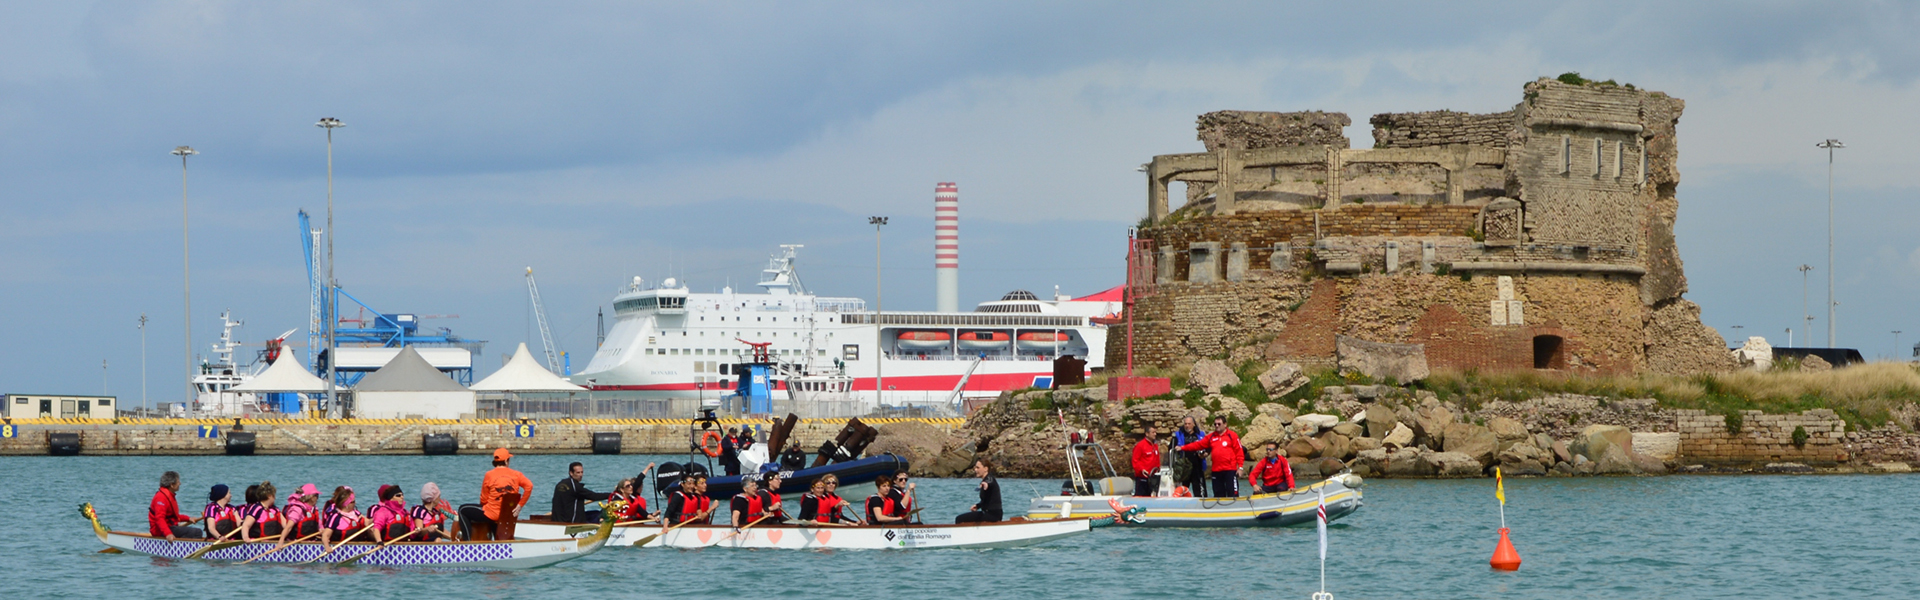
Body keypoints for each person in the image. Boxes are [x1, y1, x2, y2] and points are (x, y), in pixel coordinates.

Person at [1178, 416, 1247, 499]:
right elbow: (1197, 445)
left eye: (1219, 424)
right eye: (1215, 424)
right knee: (1218, 495)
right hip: (1216, 471)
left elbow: (1239, 452)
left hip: (1230, 470)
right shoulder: (1211, 437)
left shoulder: (1232, 436)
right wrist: (1182, 447)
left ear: (1225, 424)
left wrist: (1240, 467)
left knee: (1232, 494)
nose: (1217, 426)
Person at [473, 448, 533, 539]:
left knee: (463, 510)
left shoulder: (489, 474)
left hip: (492, 514)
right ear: (506, 461)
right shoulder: (516, 474)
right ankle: (499, 541)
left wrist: (486, 506)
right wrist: (520, 505)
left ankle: (465, 542)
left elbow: (483, 499)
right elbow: (529, 486)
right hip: (508, 515)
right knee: (492, 515)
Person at [148, 471, 202, 541]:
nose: (180, 483)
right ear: (172, 485)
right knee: (197, 532)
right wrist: (168, 533)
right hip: (159, 530)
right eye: (178, 481)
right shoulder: (161, 497)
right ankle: (183, 549)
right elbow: (159, 518)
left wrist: (188, 518)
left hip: (170, 527)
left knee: (194, 532)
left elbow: (173, 516)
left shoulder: (170, 495)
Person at [954, 459, 1002, 524]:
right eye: (975, 468)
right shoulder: (984, 480)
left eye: (978, 468)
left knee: (959, 519)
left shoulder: (989, 478)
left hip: (993, 515)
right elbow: (986, 501)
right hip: (988, 513)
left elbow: (990, 482)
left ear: (985, 468)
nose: (975, 470)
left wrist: (986, 484)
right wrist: (978, 506)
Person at [1173, 416, 1209, 497]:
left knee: (1200, 490)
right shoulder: (1178, 435)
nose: (1187, 426)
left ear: (1193, 424)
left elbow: (1208, 447)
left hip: (1197, 466)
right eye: (1185, 424)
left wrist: (1205, 453)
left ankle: (1201, 505)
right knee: (1182, 488)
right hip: (1183, 467)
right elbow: (1170, 449)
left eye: (1189, 424)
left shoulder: (1201, 435)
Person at [1131, 423, 1162, 497]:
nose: (1155, 434)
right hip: (1142, 478)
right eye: (1153, 432)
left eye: (1155, 432)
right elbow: (1135, 460)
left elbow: (1157, 459)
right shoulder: (1140, 446)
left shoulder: (1155, 445)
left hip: (1153, 478)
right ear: (1147, 434)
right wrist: (1141, 469)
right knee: (1141, 497)